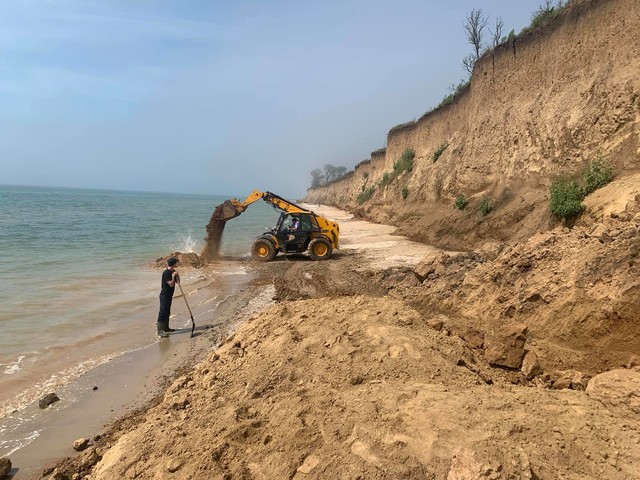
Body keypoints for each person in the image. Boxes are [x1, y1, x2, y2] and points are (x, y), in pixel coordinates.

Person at [157, 257, 180, 337]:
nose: (178, 264)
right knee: (163, 312)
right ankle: (160, 331)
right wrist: (173, 277)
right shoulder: (166, 273)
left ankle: (166, 328)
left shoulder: (173, 271)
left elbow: (178, 282)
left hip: (169, 295)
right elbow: (171, 284)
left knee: (167, 311)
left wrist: (177, 275)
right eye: (176, 263)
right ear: (173, 264)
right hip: (164, 295)